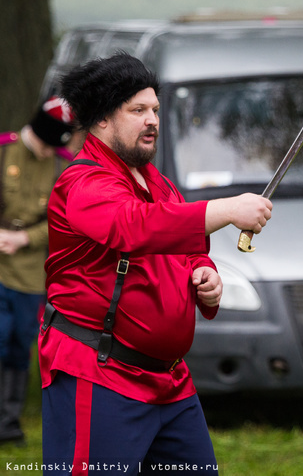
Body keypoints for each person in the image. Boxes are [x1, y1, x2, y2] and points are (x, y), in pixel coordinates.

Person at [39, 52, 273, 474]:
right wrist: (227, 208)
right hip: (100, 373)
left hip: (170, 383)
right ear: (102, 119)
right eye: (138, 110)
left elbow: (187, 246)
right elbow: (134, 226)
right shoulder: (83, 182)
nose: (153, 120)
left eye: (156, 110)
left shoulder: (158, 183)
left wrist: (206, 274)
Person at [0, 97, 75, 444]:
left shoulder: (63, 166)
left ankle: (8, 422)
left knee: (19, 344)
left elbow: (64, 219)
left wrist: (24, 238)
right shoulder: (4, 152)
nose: (49, 153)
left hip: (32, 274)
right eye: (47, 144)